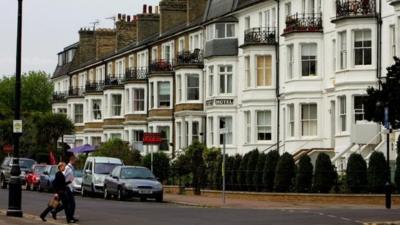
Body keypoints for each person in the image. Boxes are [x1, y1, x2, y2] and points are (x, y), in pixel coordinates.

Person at [64, 154, 78, 222]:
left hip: (70, 187)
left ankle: (70, 217)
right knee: (71, 204)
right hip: (67, 187)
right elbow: (63, 176)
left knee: (70, 203)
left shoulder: (71, 168)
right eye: (75, 161)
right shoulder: (67, 168)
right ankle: (70, 218)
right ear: (71, 160)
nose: (75, 162)